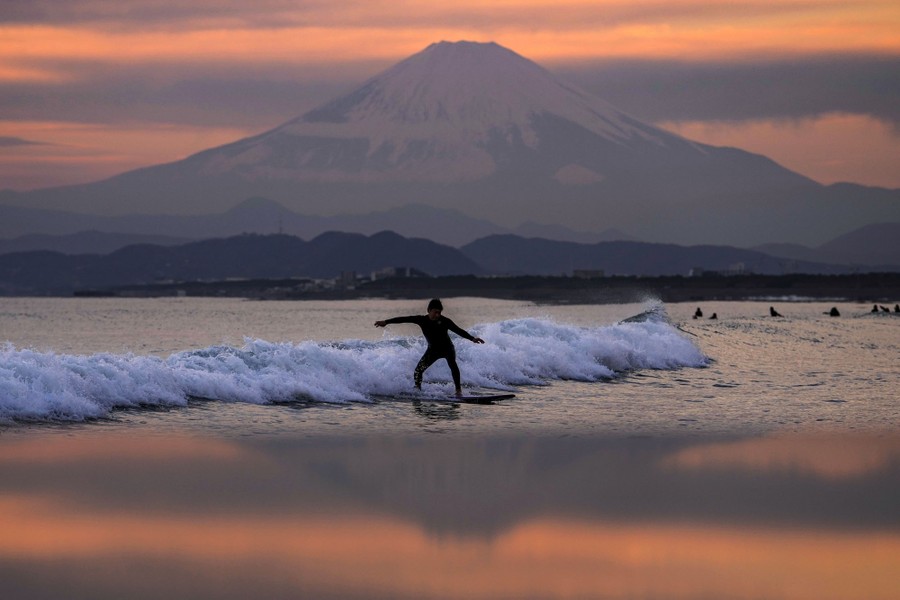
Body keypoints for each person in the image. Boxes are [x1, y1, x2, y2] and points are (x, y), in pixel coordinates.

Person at [375, 298, 484, 397]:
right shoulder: (421, 320)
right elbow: (404, 319)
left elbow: (458, 330)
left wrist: (472, 338)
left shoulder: (445, 321)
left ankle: (458, 391)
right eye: (435, 312)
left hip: (447, 348)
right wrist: (386, 322)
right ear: (429, 310)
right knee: (418, 370)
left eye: (439, 312)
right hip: (433, 350)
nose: (437, 315)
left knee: (453, 366)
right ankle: (418, 390)